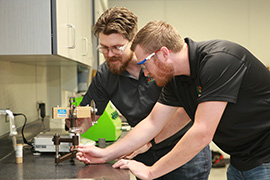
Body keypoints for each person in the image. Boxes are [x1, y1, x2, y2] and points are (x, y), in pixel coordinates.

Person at [76, 20, 270, 180]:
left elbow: (202, 132)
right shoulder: (176, 79)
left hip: (265, 159)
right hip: (240, 160)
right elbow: (153, 122)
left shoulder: (220, 61)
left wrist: (151, 171)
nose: (145, 72)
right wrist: (106, 154)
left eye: (144, 63)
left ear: (163, 53)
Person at [71, 7, 211, 180]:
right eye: (105, 48)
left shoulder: (164, 65)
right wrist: (75, 125)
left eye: (117, 47)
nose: (110, 54)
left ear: (133, 41)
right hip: (141, 154)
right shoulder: (105, 75)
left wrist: (148, 142)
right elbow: (88, 117)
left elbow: (186, 113)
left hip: (182, 153)